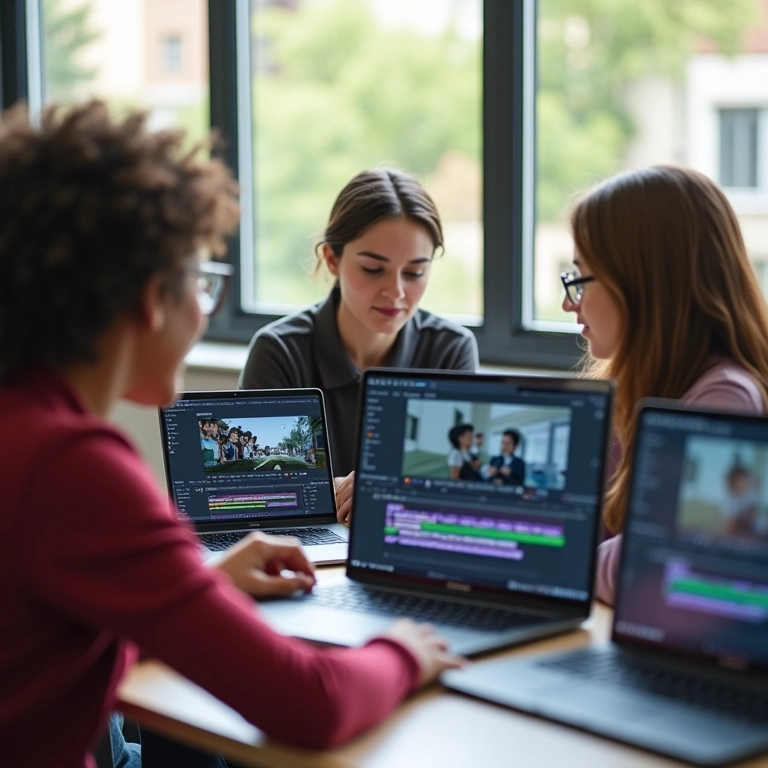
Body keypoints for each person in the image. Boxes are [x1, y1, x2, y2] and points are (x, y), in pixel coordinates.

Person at [0, 100, 463, 768]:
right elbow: (315, 702)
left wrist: (205, 584)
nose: (203, 308)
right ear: (145, 298)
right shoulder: (71, 467)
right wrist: (405, 651)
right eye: (200, 280)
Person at [560, 165, 768, 605]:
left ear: (643, 283)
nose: (568, 301)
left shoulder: (725, 399)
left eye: (580, 279)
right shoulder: (632, 387)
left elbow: (651, 561)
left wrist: (540, 555)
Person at [238, 168, 479, 521]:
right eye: (372, 268)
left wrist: (364, 488)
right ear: (332, 259)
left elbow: (457, 487)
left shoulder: (451, 350)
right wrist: (339, 490)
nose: (396, 292)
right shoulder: (279, 351)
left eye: (414, 273)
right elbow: (250, 490)